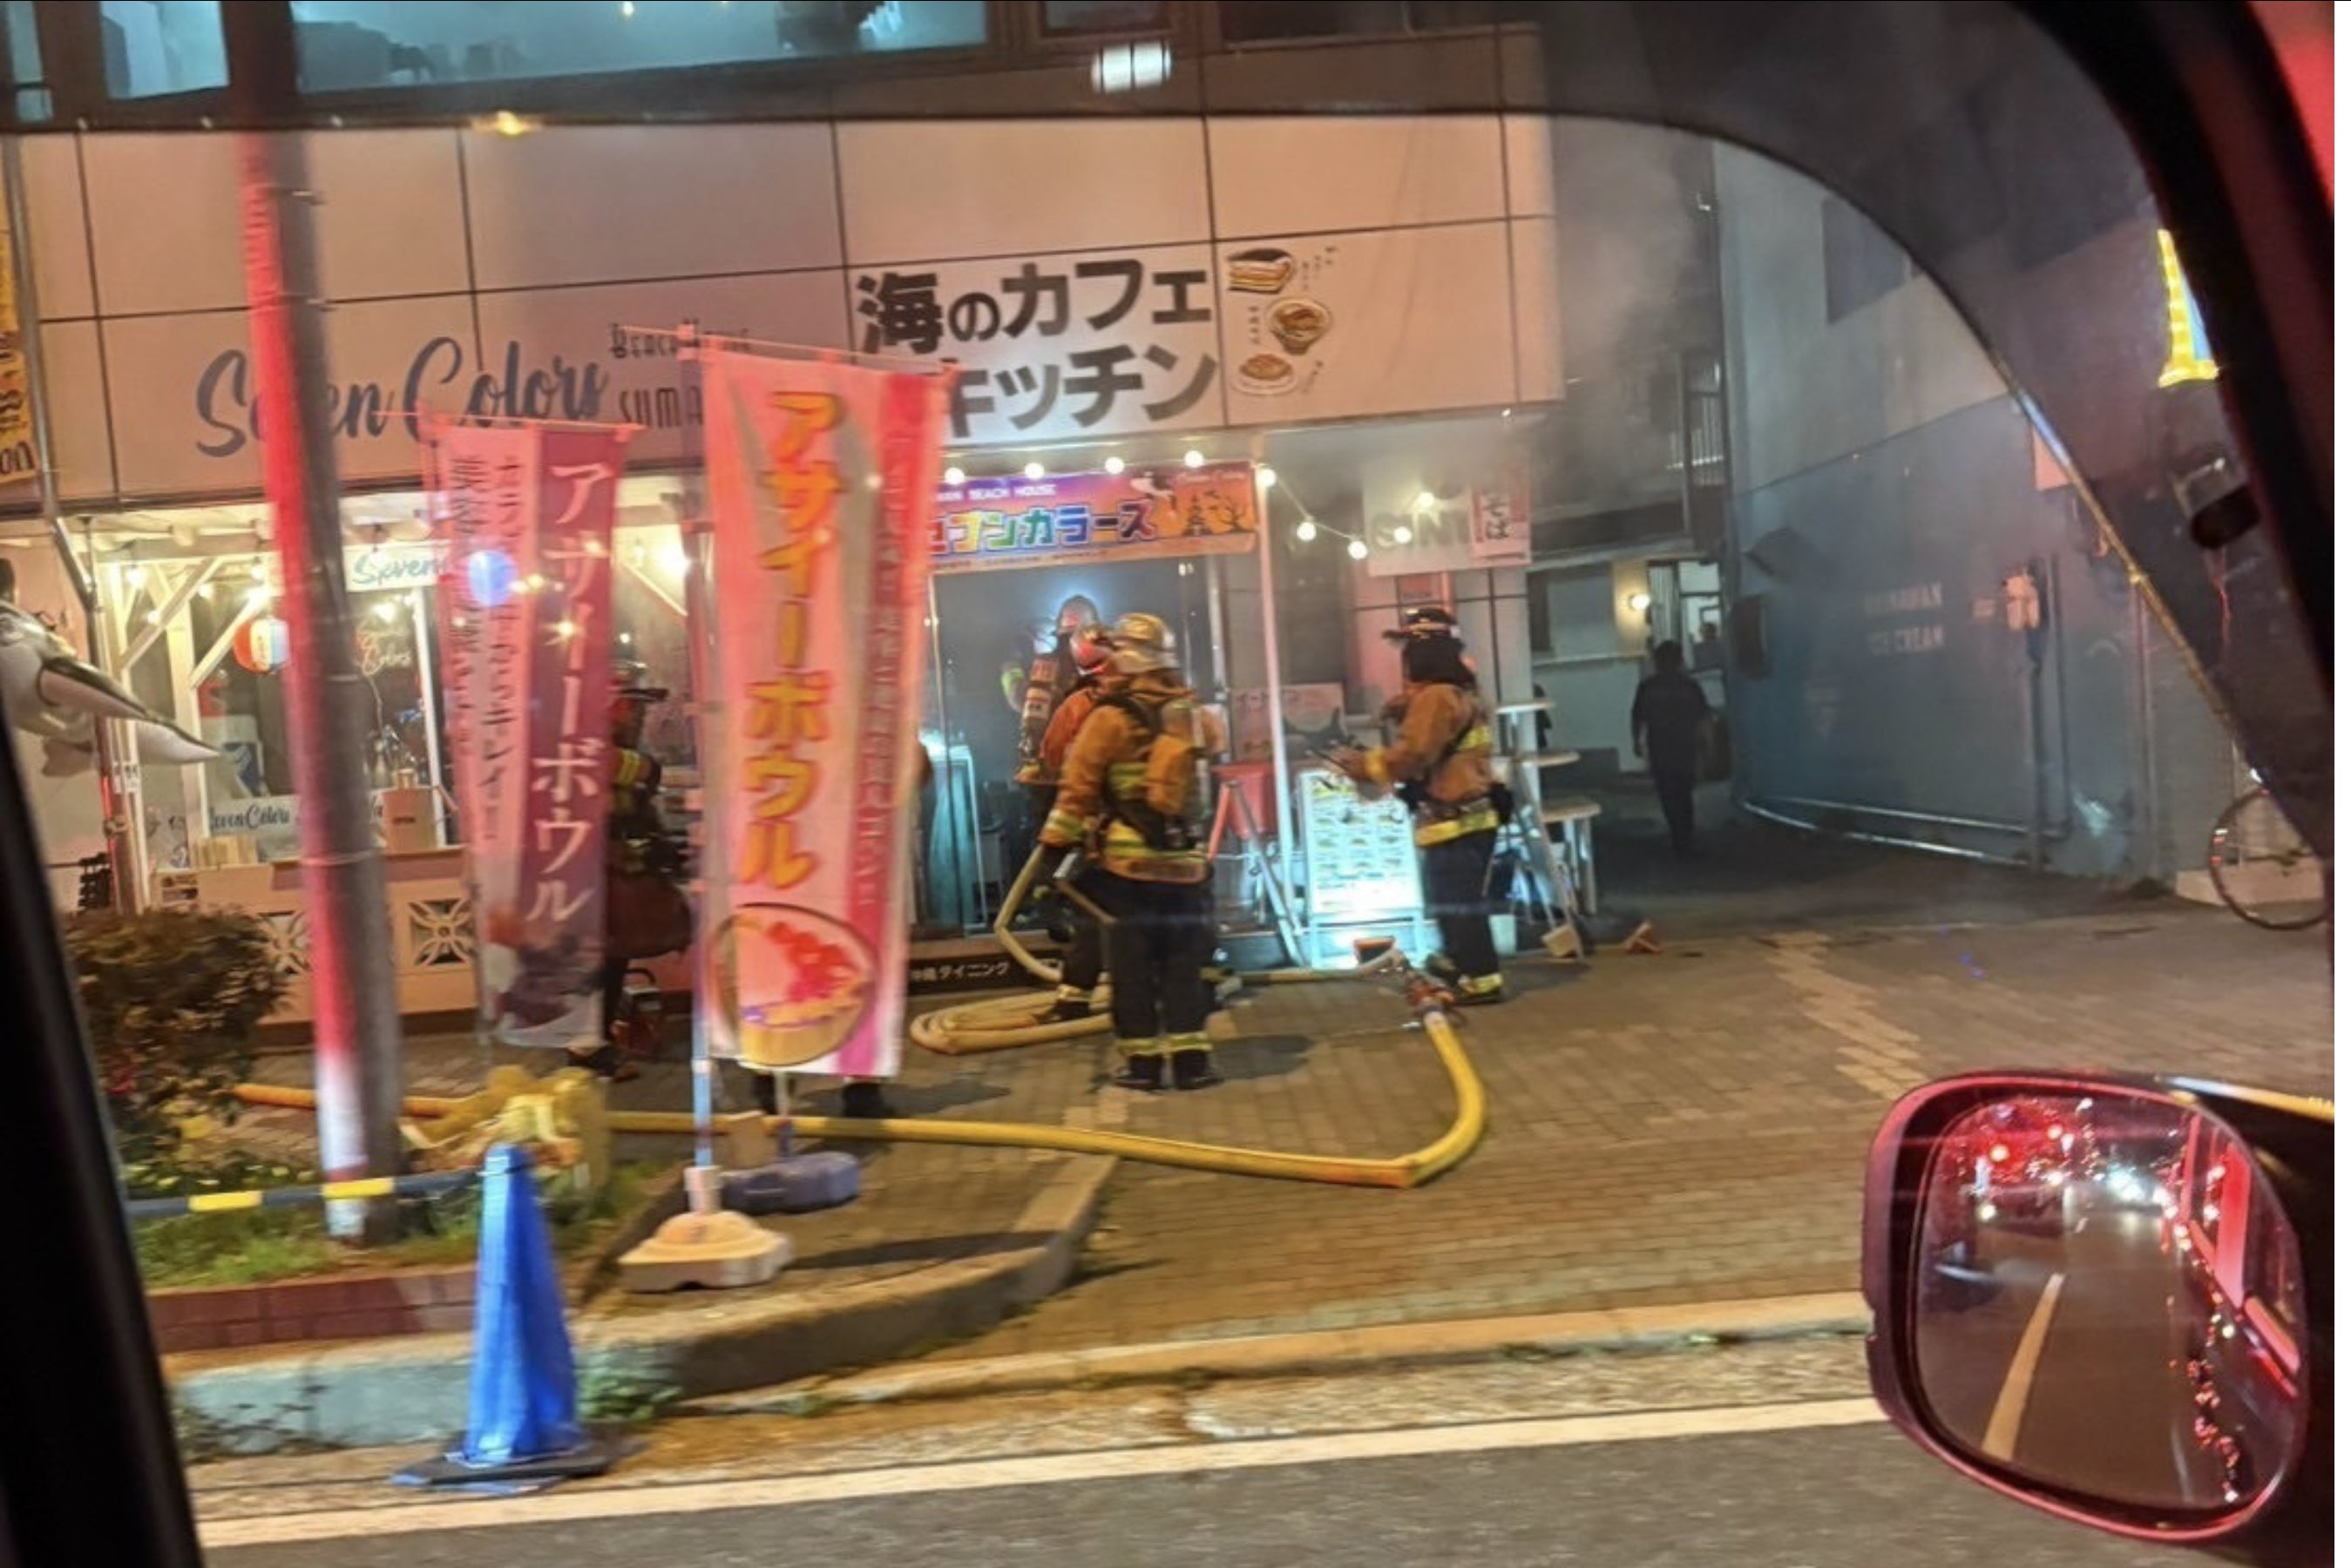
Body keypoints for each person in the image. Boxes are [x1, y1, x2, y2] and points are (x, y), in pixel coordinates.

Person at [1039, 612, 1223, 1092]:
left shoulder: (1109, 719)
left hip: (1128, 868)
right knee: (1183, 966)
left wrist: (1051, 854)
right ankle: (1192, 1062)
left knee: (1133, 968)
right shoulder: (1193, 715)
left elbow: (1076, 791)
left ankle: (1143, 1065)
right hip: (1186, 866)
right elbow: (1211, 758)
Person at [1334, 605, 1507, 1004]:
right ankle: (1458, 962)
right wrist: (1408, 707)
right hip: (1472, 816)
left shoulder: (1436, 698)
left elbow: (1414, 755)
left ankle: (1481, 978)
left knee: (1458, 904)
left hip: (1456, 820)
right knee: (1452, 900)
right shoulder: (1462, 691)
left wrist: (1366, 766)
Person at [582, 673, 691, 1082]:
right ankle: (588, 1051)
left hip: (613, 873)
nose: (636, 714)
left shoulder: (607, 748)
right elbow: (642, 771)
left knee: (612, 960)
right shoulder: (589, 749)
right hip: (596, 877)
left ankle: (597, 1043)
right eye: (629, 704)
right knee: (599, 964)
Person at [1034, 621, 1115, 1020]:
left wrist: (1053, 848)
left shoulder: (1079, 706)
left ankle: (1074, 999)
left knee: (1090, 908)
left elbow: (1052, 755)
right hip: (1153, 834)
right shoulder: (1158, 703)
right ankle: (1193, 982)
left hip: (1096, 828)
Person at [1631, 639, 1713, 856]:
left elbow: (1637, 717)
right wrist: (1708, 746)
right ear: (1680, 661)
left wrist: (1636, 742)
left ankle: (1677, 835)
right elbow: (1703, 718)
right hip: (1685, 746)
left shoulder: (1648, 687)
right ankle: (1686, 836)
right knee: (1684, 792)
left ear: (1657, 661)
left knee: (1667, 793)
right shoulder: (1689, 686)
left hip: (1660, 746)